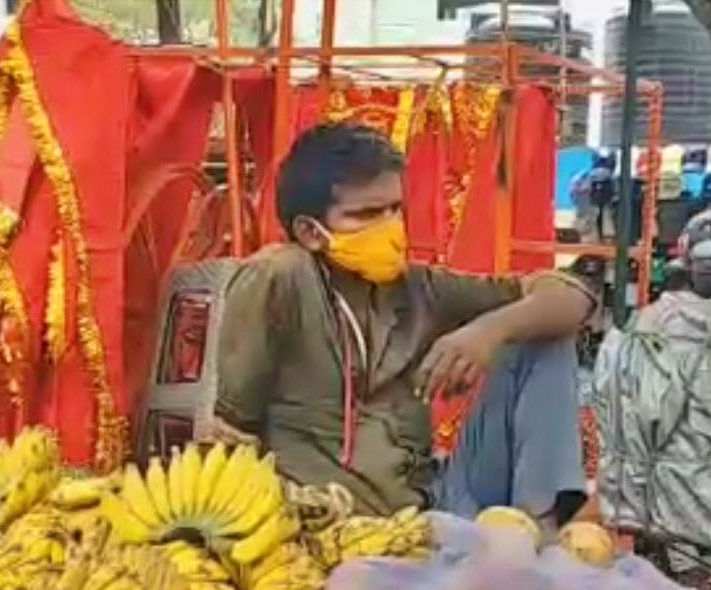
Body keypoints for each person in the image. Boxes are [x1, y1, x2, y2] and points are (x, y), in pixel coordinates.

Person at [212, 123, 597, 527]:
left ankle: (539, 533)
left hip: (434, 502)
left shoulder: (417, 286)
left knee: (545, 336)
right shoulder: (281, 276)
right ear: (310, 231)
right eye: (366, 215)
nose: (390, 226)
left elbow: (574, 297)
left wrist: (487, 333)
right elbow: (231, 433)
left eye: (394, 209)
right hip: (333, 521)